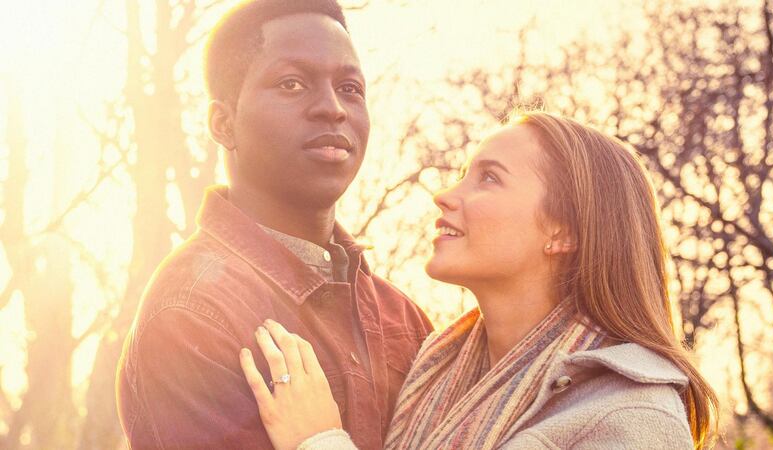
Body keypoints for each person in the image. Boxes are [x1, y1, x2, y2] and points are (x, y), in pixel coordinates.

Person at [239, 111, 719, 449]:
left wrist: (318, 441)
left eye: (488, 178)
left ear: (564, 231)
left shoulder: (633, 418)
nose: (445, 195)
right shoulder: (431, 371)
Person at [115, 1, 432, 449]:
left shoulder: (405, 319)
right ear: (223, 123)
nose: (333, 109)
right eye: (292, 84)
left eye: (350, 87)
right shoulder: (192, 311)